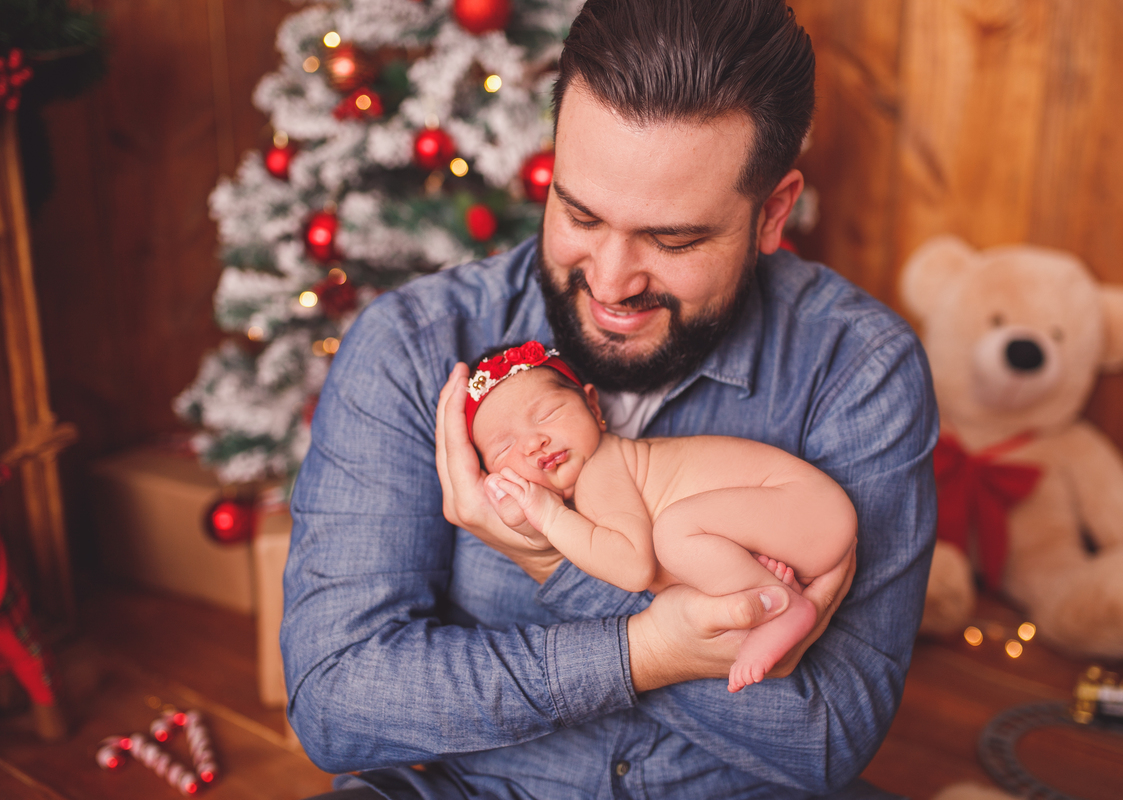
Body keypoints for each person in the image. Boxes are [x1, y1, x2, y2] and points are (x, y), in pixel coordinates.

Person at [283, 1, 939, 798]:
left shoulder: (857, 367)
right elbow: (336, 702)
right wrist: (643, 650)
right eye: (580, 214)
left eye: (674, 240)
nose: (611, 282)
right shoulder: (415, 346)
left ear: (773, 212)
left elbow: (829, 737)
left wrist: (560, 567)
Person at [459, 341, 858, 694]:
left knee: (672, 533)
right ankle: (762, 581)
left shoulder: (602, 470)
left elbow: (632, 569)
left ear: (593, 406)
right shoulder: (606, 481)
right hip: (800, 520)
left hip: (805, 504)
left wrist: (547, 516)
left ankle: (781, 606)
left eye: (547, 414)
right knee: (677, 575)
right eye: (505, 447)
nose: (533, 442)